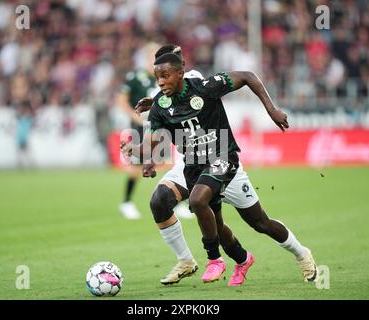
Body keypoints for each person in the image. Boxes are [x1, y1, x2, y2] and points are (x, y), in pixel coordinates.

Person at [123, 51, 318, 285]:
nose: (161, 81)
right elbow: (152, 141)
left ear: (181, 70)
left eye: (165, 75)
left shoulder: (204, 85)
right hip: (193, 165)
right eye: (158, 77)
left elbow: (247, 76)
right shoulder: (160, 105)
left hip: (224, 157)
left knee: (259, 223)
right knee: (180, 207)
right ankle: (231, 259)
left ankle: (301, 253)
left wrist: (271, 110)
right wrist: (134, 150)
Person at [115, 42, 160, 219]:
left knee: (170, 163)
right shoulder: (135, 76)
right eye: (153, 55)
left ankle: (180, 202)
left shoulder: (163, 77)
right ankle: (126, 202)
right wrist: (136, 118)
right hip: (141, 127)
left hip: (162, 126)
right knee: (137, 165)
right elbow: (121, 100)